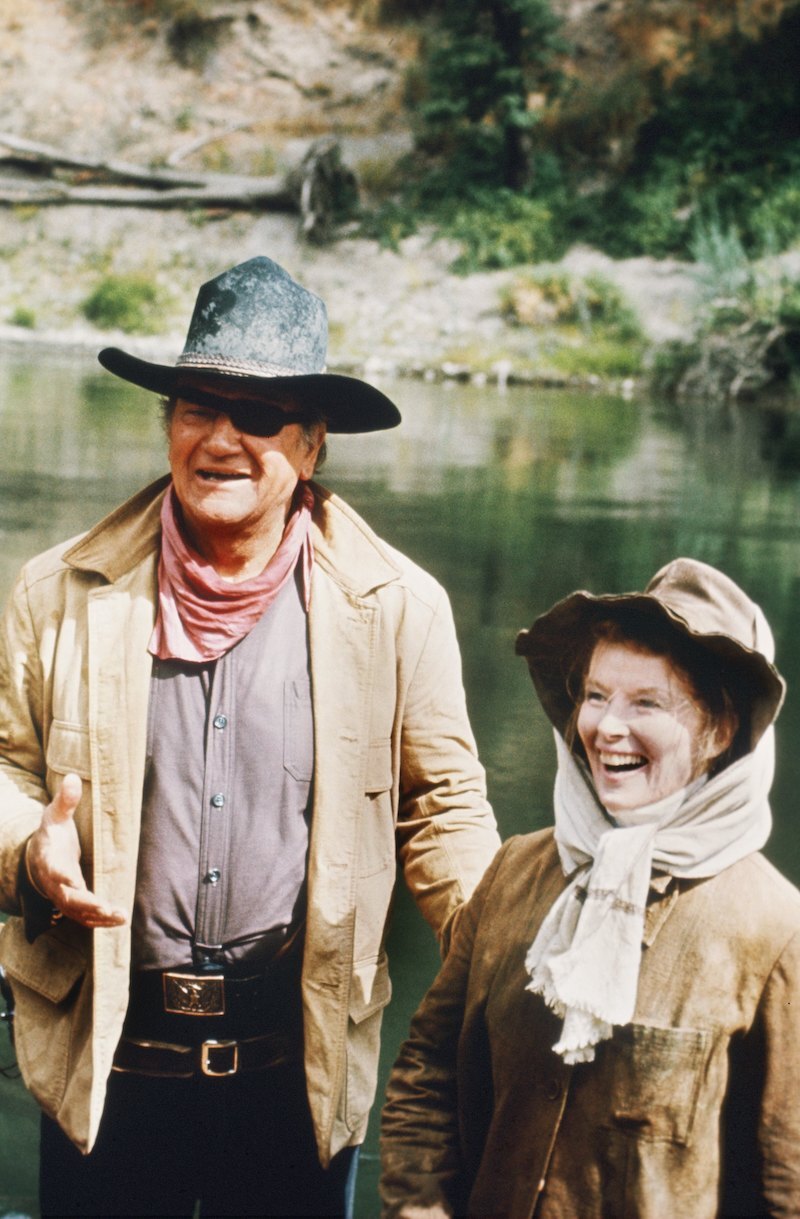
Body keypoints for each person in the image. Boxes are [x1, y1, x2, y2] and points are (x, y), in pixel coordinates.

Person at [0, 255, 501, 1218]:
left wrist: (498, 937)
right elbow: (6, 771)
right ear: (168, 422)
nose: (221, 438)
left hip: (295, 1072)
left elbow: (444, 805)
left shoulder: (399, 609)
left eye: (259, 415)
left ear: (310, 446)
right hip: (104, 1065)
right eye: (196, 406)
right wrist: (30, 851)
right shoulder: (55, 592)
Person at [380, 557, 800, 1218]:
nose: (606, 727)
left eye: (646, 703)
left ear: (719, 733)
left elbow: (787, 1182)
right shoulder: (516, 870)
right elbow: (426, 1078)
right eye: (597, 694)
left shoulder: (775, 931)